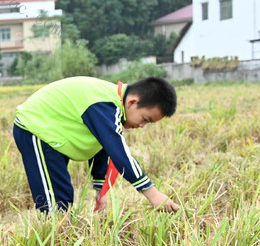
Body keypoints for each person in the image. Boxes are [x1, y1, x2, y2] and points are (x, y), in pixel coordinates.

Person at [12, 76, 180, 213]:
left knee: (62, 195)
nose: (142, 126)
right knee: (56, 202)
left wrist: (101, 190)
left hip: (55, 131)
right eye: (145, 119)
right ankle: (52, 237)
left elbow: (102, 147)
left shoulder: (112, 105)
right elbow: (118, 152)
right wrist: (152, 193)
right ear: (132, 102)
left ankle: (61, 234)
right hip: (36, 128)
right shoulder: (104, 104)